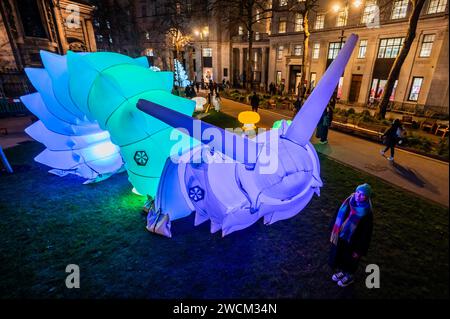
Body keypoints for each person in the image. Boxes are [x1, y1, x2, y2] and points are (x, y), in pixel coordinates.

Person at [329, 183, 373, 287]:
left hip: (354, 241)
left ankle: (349, 276)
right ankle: (343, 271)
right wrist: (333, 230)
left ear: (367, 197)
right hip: (341, 236)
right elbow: (337, 215)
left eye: (362, 194)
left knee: (351, 259)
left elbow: (366, 234)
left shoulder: (367, 213)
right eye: (357, 192)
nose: (358, 195)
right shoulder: (348, 201)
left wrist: (359, 250)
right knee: (342, 255)